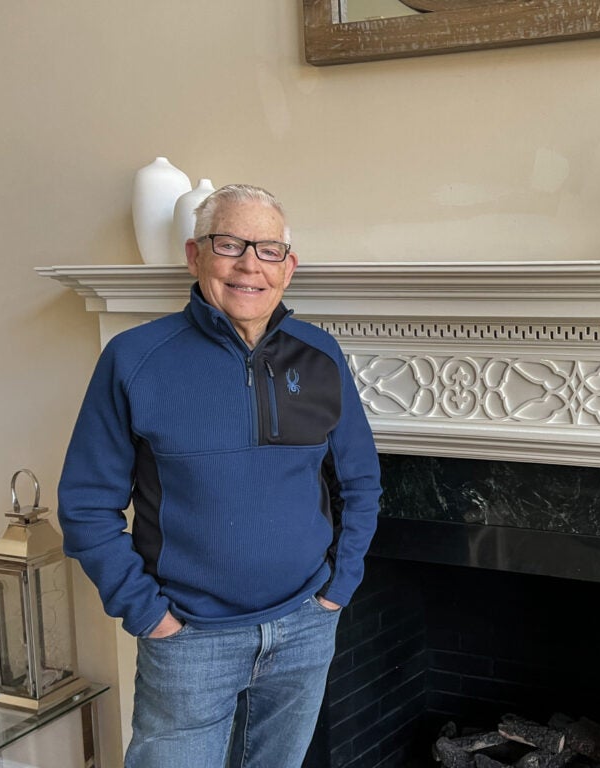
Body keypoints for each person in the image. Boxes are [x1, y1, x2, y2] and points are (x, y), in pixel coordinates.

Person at [58, 184, 382, 768]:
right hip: (188, 640)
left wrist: (339, 590)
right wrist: (149, 616)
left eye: (268, 249)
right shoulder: (134, 358)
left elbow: (360, 483)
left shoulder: (321, 355)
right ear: (195, 255)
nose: (249, 264)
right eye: (230, 243)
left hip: (305, 625)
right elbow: (85, 507)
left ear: (289, 267)